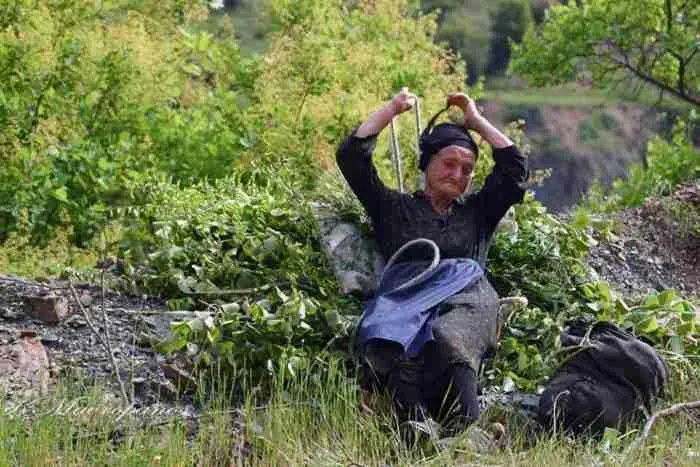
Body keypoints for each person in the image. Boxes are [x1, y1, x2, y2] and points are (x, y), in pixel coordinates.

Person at [336, 88, 528, 429]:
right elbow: (352, 157)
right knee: (386, 335)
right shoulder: (394, 209)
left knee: (447, 335)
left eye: (468, 169)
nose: (458, 174)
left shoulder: (478, 212)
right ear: (427, 164)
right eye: (449, 164)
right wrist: (392, 109)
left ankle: (466, 426)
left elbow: (514, 169)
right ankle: (417, 425)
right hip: (406, 298)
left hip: (467, 298)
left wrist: (476, 121)